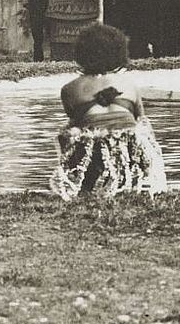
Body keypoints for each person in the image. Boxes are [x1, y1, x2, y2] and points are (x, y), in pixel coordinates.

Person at [51, 23, 166, 198]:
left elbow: (75, 123)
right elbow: (140, 120)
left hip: (94, 151)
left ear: (81, 54)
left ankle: (81, 184)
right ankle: (133, 182)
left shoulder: (70, 88)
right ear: (119, 53)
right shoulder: (129, 84)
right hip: (129, 149)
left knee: (70, 132)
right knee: (141, 132)